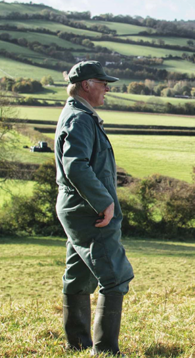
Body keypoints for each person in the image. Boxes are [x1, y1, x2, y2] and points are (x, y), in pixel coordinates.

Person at [55, 61, 134, 355]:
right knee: (115, 275)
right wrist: (104, 202)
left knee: (78, 273)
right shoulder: (81, 119)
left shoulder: (74, 114)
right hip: (89, 209)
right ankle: (106, 351)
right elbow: (76, 166)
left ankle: (75, 344)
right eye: (102, 83)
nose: (107, 89)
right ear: (86, 85)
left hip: (75, 207)